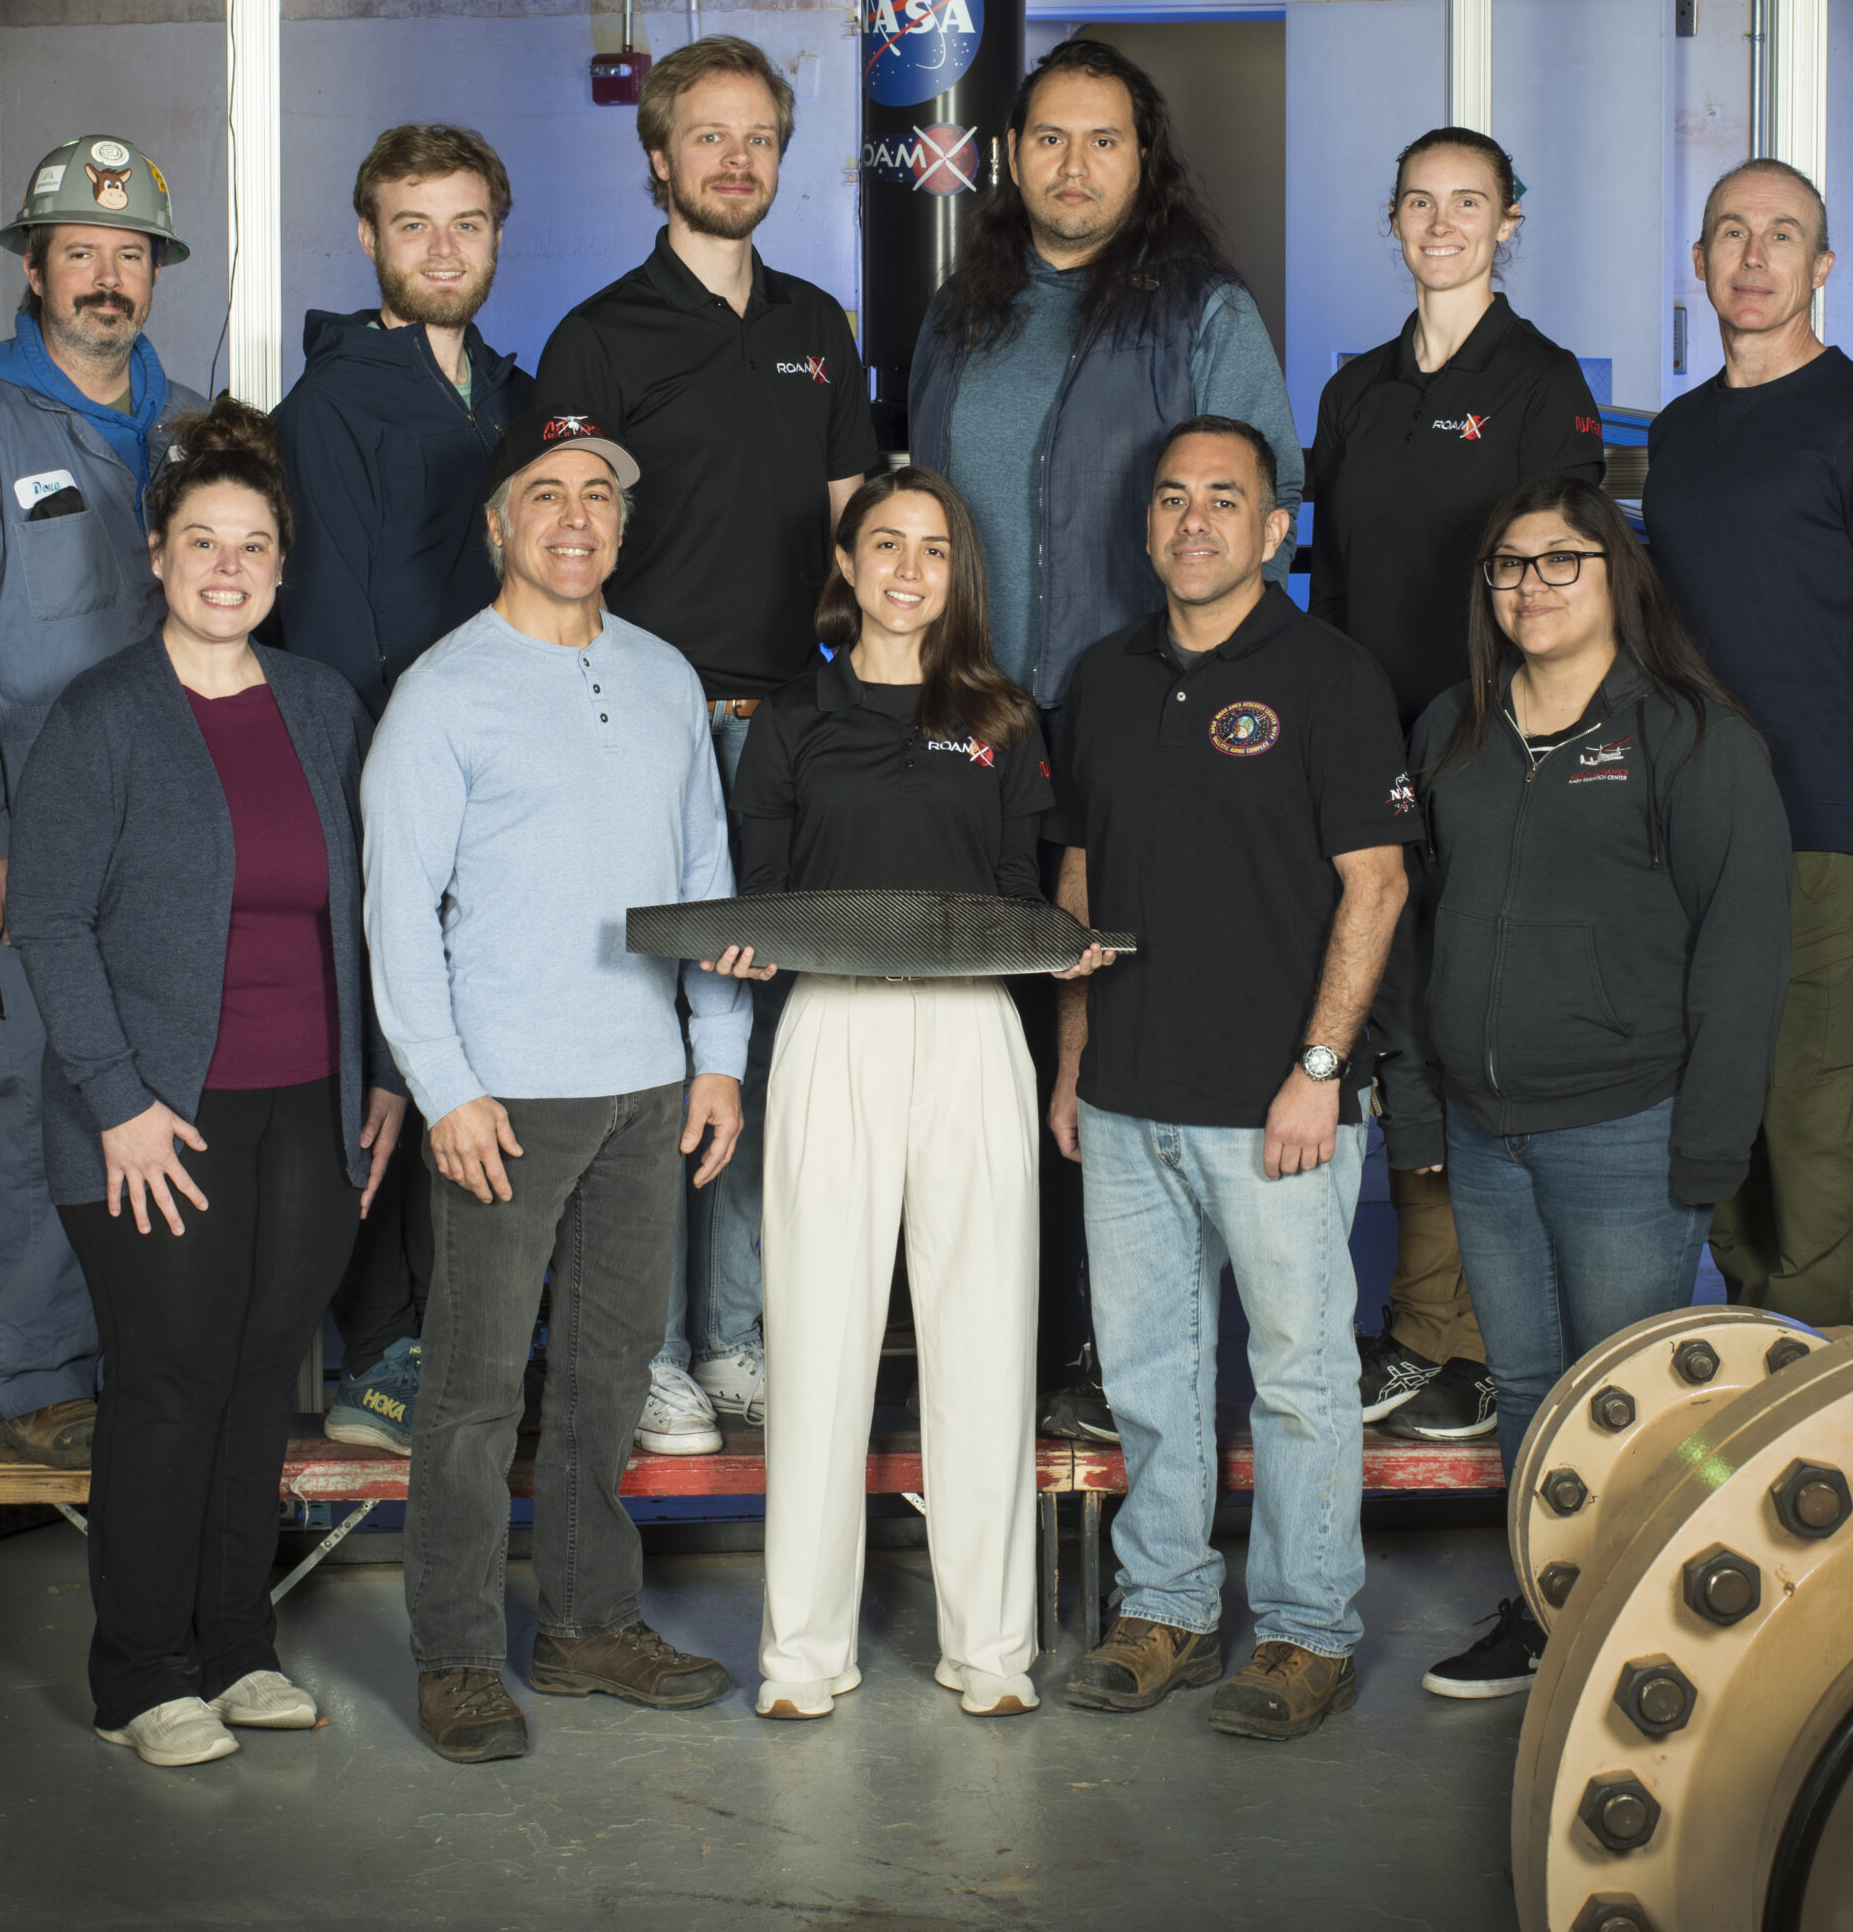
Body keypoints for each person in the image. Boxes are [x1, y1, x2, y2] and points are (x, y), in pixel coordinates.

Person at [909, 37, 1306, 1435]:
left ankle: (1097, 1359)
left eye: (1103, 141)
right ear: (1008, 159)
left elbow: (1263, 504)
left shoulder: (1198, 311)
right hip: (975, 738)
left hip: (1142, 734)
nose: (1072, 166)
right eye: (1048, 140)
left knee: (1114, 1042)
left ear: (1144, 163)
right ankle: (978, 1348)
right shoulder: (962, 317)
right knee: (981, 1044)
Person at [6, 397, 406, 1767]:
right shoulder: (103, 717)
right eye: (201, 543)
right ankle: (138, 1675)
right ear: (158, 558)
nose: (227, 568)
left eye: (252, 547)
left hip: (308, 1101)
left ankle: (237, 1650)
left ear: (280, 571)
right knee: (170, 1382)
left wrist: (385, 1079)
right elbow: (47, 926)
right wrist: (117, 1098)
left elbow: (364, 910)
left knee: (255, 1383)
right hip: (153, 1117)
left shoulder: (319, 707)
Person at [361, 411, 751, 1765]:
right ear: (496, 524)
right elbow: (397, 910)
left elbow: (703, 874)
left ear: (622, 525)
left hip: (647, 1085)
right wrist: (447, 1088)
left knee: (601, 1379)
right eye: (546, 493)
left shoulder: (658, 677)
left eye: (599, 495)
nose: (575, 516)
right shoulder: (442, 690)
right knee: (471, 1399)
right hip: (505, 1100)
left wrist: (717, 1053)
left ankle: (588, 1627)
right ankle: (457, 1654)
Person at [1380, 473, 1791, 1699]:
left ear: (1617, 575)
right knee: (1523, 1390)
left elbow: (1742, 948)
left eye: (1563, 561)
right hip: (1485, 1124)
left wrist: (1708, 1151)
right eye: (1510, 564)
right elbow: (1412, 930)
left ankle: (1642, 1628)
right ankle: (1548, 1610)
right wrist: (1417, 1110)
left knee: (1624, 1393)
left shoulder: (1690, 734)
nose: (1531, 585)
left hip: (1628, 1126)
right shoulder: (1451, 727)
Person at [1049, 417, 1416, 1742]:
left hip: (1278, 1106)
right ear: (1143, 525)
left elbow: (1373, 882)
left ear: (1272, 530)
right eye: (1169, 499)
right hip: (1129, 1097)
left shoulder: (1328, 677)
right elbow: (1079, 879)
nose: (1192, 521)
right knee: (1147, 1372)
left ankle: (1307, 1631)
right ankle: (1165, 1607)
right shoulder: (1096, 679)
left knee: (1300, 1378)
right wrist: (1076, 1057)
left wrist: (1319, 1069)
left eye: (1224, 500)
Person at [534, 35, 875, 1456]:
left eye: (758, 139)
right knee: (663, 1050)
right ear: (658, 157)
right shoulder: (599, 336)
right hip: (650, 730)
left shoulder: (818, 324)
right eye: (707, 137)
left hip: (786, 730)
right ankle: (651, 1351)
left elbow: (856, 528)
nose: (734, 160)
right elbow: (560, 543)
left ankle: (734, 1334)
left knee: (769, 1048)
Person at [727, 467, 1095, 1722]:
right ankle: (801, 1656)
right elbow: (764, 894)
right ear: (846, 561)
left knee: (984, 1337)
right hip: (831, 1029)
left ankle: (991, 1650)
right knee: (818, 1343)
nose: (907, 568)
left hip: (971, 1033)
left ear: (956, 575)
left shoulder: (1001, 717)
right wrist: (744, 943)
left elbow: (1014, 888)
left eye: (934, 549)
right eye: (884, 543)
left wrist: (1058, 943)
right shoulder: (790, 720)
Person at [0, 135, 202, 1465]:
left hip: (160, 844)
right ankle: (33, 1373)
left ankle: (141, 1350)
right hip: (23, 846)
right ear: (33, 267)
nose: (108, 278)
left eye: (131, 255)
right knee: (31, 1082)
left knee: (147, 1088)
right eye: (83, 252)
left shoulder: (188, 431)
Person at [1310, 126, 1606, 1446]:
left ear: (1507, 222)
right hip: (1365, 754)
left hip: (1485, 752)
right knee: (1384, 1035)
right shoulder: (1354, 390)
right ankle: (1419, 1330)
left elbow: (1567, 577)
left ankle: (1471, 1342)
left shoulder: (1536, 384)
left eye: (1467, 203)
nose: (1441, 224)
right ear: (1390, 221)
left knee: (1471, 1032)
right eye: (1419, 202)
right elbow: (1331, 588)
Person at [1644, 160, 1853, 1327]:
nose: (1753, 256)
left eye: (1782, 236)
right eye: (1731, 232)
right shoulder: (1677, 436)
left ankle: (1815, 1386)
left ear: (1819, 268)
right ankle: (1746, 1363)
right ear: (1700, 263)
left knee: (1807, 1113)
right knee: (1714, 1108)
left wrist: (1837, 790)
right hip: (1686, 836)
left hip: (1812, 833)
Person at [270, 121, 534, 1459]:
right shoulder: (329, 405)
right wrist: (374, 802)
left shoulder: (508, 389)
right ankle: (378, 1348)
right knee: (389, 1052)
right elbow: (322, 632)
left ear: (497, 234)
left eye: (466, 222)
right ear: (368, 240)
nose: (442, 248)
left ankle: (464, 1329)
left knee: (477, 1039)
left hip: (507, 782)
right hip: (391, 776)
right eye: (412, 224)